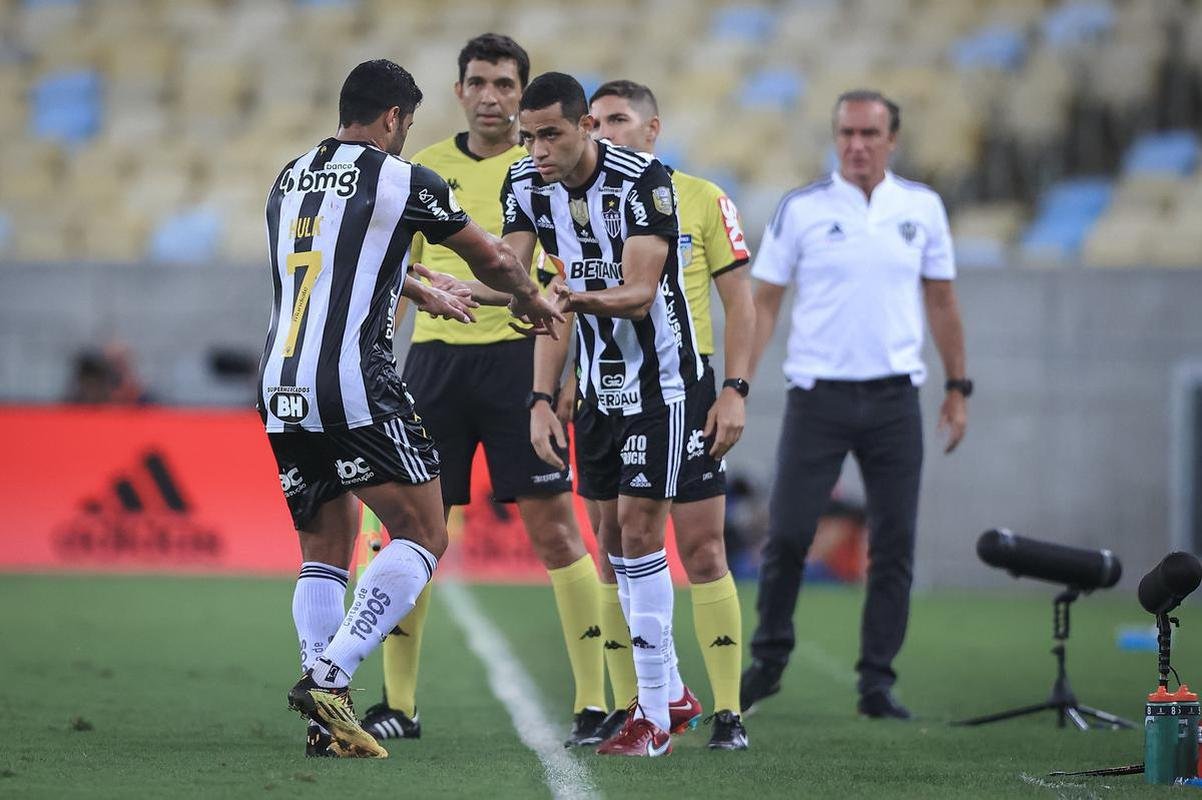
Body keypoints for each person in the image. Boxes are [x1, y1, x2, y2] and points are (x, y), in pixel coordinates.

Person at [260, 58, 561, 759]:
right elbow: (490, 258)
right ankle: (333, 676)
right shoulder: (402, 177)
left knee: (324, 547)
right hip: (353, 382)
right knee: (425, 531)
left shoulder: (289, 176)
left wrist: (415, 287)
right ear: (394, 118)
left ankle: (320, 718)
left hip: (281, 384)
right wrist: (530, 298)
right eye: (408, 124)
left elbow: (325, 266)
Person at [353, 33, 611, 749]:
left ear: (523, 95)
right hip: (432, 367)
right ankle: (397, 704)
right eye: (479, 82)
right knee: (405, 532)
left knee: (557, 530)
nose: (492, 96)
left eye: (505, 83)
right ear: (460, 91)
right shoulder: (420, 167)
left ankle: (593, 702)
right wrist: (377, 363)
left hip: (518, 364)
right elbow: (391, 275)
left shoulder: (547, 166)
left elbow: (566, 281)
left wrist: (557, 382)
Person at [739, 89, 970, 720]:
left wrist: (957, 387)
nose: (856, 145)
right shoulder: (803, 209)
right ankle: (769, 659)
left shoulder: (921, 208)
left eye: (869, 133)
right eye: (846, 133)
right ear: (835, 137)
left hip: (895, 398)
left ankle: (876, 682)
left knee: (894, 544)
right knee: (786, 534)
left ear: (892, 140)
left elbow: (942, 300)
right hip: (818, 397)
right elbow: (763, 302)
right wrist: (738, 383)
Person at [508, 71, 700, 758]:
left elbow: (641, 293)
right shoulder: (524, 185)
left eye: (550, 134)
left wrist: (564, 297)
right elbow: (524, 286)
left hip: (664, 384)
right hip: (597, 389)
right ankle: (672, 690)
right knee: (614, 542)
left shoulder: (645, 181)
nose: (537, 150)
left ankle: (650, 717)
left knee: (644, 535)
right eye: (527, 137)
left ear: (587, 126)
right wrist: (538, 397)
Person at [585, 79, 754, 750]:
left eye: (619, 120)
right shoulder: (576, 198)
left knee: (704, 544)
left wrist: (735, 388)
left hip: (686, 387)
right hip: (606, 384)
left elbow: (742, 301)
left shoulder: (700, 197)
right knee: (615, 543)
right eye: (594, 120)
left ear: (652, 131)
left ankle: (728, 709)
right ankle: (643, 700)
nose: (604, 131)